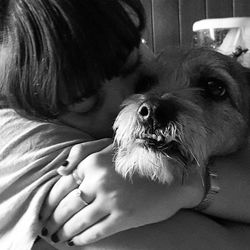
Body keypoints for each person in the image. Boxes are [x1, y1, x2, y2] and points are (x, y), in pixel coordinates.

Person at [0, 1, 250, 250]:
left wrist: (193, 186)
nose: (134, 103)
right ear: (31, 105)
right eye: (83, 101)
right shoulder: (23, 137)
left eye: (137, 75)